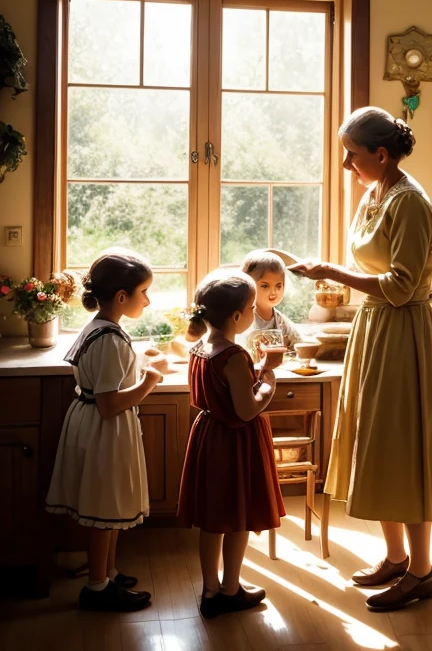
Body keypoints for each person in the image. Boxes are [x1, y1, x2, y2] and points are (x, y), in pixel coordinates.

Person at [291, 106, 432, 612]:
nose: (347, 164)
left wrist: (332, 272)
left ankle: (422, 571)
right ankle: (394, 557)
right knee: (379, 441)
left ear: (381, 154)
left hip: (404, 330)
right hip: (375, 327)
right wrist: (332, 272)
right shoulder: (373, 194)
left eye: (353, 155)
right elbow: (375, 266)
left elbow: (402, 284)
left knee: (404, 447)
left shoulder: (409, 203)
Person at [45, 250, 162, 612]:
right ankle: (96, 587)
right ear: (122, 297)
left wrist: (139, 362)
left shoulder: (100, 328)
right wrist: (149, 381)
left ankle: (107, 572)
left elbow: (104, 379)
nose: (148, 299)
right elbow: (111, 402)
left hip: (91, 421)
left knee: (106, 504)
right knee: (103, 508)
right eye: (144, 291)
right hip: (104, 426)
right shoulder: (111, 339)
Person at [177, 270, 286, 619]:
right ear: (237, 316)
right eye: (253, 306)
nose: (256, 312)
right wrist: (268, 379)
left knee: (212, 521)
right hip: (235, 443)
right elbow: (247, 408)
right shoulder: (234, 356)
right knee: (236, 518)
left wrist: (255, 370)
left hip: (209, 437)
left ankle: (210, 589)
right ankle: (231, 588)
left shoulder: (199, 348)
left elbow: (221, 392)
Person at [240, 249, 303, 354]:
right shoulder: (245, 319)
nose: (273, 292)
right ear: (249, 285)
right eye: (265, 286)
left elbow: (298, 344)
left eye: (278, 286)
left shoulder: (280, 321)